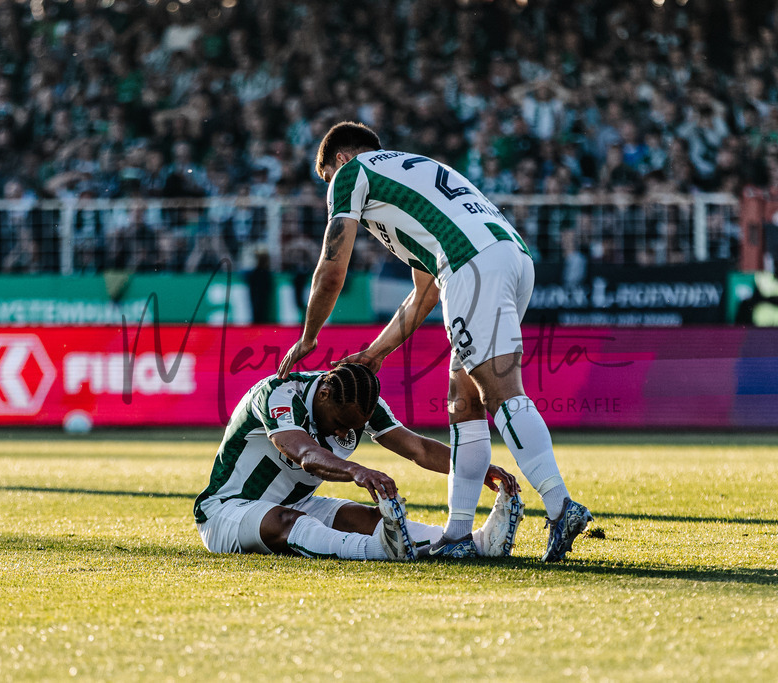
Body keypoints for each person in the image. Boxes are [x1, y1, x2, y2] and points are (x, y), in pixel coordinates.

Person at [278, 122, 592, 562]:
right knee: (464, 399)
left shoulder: (352, 174)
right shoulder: (413, 174)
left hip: (470, 264)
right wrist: (376, 352)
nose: (332, 190)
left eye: (328, 179)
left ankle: (561, 507)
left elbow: (332, 268)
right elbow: (425, 291)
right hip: (510, 258)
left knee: (500, 392)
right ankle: (458, 533)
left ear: (341, 161)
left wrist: (309, 336)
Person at [194, 363, 523, 561]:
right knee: (287, 522)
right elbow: (305, 454)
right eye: (339, 422)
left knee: (368, 518)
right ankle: (380, 552)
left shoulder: (359, 401)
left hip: (299, 502)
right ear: (323, 394)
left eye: (352, 427)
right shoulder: (278, 394)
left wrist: (473, 468)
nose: (342, 431)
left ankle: (478, 543)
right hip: (226, 510)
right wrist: (357, 470)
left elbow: (418, 448)